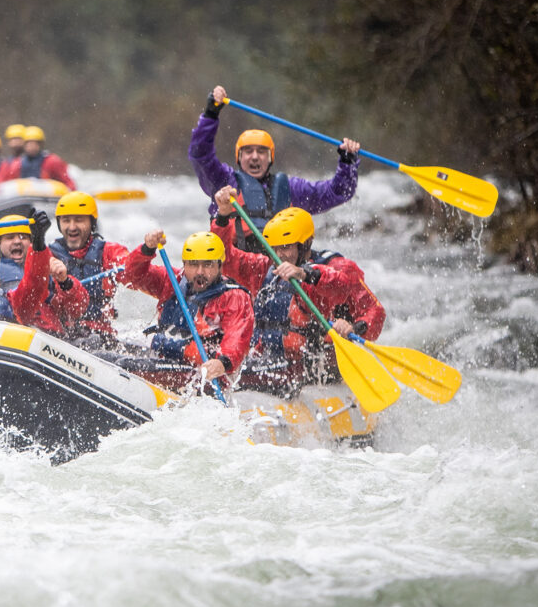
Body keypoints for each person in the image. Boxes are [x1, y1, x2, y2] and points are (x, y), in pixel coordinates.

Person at [210, 188, 384, 393]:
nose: (279, 254)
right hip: (268, 363)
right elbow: (225, 258)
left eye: (286, 247)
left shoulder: (337, 267)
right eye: (275, 248)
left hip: (315, 367)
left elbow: (367, 306)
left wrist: (354, 328)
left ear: (305, 244)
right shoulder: (266, 267)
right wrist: (222, 216)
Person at [190, 85, 362, 253]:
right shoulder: (223, 182)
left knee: (336, 262)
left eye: (261, 152)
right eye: (248, 151)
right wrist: (211, 114)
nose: (255, 156)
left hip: (281, 268)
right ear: (239, 158)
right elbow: (200, 154)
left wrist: (347, 162)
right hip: (237, 267)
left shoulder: (292, 188)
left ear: (271, 157)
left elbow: (338, 192)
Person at [124, 229, 254, 385]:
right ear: (184, 265)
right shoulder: (173, 280)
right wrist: (146, 249)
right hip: (164, 353)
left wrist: (222, 362)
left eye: (208, 264)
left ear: (220, 265)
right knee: (106, 349)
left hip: (201, 369)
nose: (200, 272)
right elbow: (133, 277)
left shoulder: (235, 297)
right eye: (193, 264)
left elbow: (237, 338)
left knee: (124, 364)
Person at [47, 191, 133, 344]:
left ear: (92, 223)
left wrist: (146, 252)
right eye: (66, 221)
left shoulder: (109, 253)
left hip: (100, 335)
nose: (72, 227)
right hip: (61, 336)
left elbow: (137, 272)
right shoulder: (49, 255)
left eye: (79, 220)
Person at [0, 215, 89, 337]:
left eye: (23, 237)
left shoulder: (50, 264)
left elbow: (78, 309)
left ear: (31, 242)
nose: (17, 241)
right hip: (19, 332)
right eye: (10, 238)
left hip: (55, 335)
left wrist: (65, 282)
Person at [0, 126, 77, 189]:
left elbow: (68, 182)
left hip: (47, 200)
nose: (31, 147)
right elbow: (5, 184)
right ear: (24, 145)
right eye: (29, 144)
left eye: (35, 144)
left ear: (40, 145)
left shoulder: (52, 161)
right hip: (24, 200)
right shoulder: (17, 164)